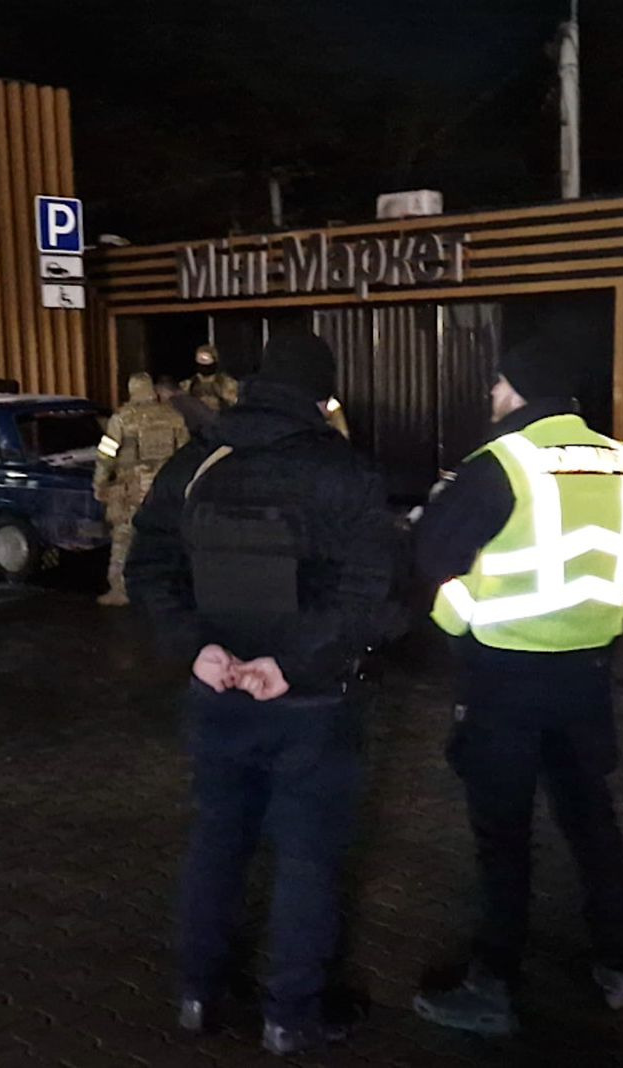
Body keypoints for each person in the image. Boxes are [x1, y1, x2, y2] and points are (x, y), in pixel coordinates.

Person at [124, 333, 395, 1057]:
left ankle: (198, 993)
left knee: (217, 841)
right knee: (308, 857)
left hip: (218, 695)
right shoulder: (345, 471)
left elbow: (147, 567)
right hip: (311, 704)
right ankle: (290, 1015)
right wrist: (291, 664)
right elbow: (370, 595)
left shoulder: (198, 460)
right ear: (322, 396)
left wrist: (196, 648)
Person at [410, 320, 623, 1037]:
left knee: (503, 834)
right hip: (587, 674)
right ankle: (620, 965)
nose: (492, 392)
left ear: (517, 389)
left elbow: (432, 554)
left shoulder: (501, 463)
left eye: (497, 381)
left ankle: (493, 984)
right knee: (591, 820)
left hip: (504, 677)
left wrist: (456, 617)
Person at [93, 372, 189, 607]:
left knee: (123, 538)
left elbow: (106, 456)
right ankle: (171, 587)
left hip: (132, 489)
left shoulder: (122, 419)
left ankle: (120, 589)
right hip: (165, 489)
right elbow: (186, 453)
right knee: (168, 538)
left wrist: (100, 484)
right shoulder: (173, 415)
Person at [182, 344, 240, 413]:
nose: (203, 364)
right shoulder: (188, 385)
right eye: (200, 360)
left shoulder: (226, 383)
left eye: (206, 360)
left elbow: (235, 403)